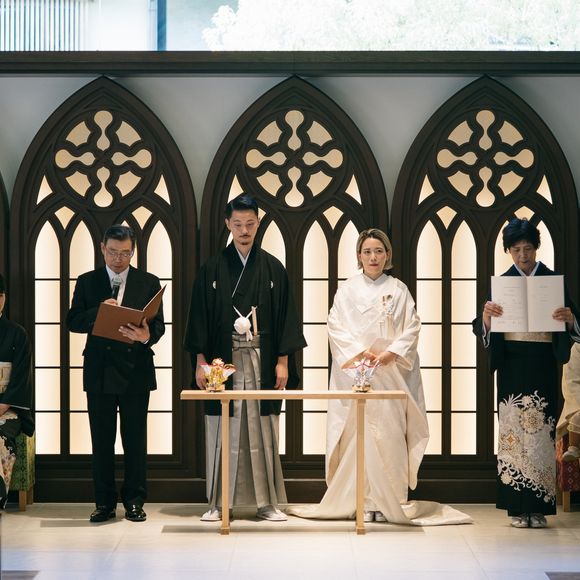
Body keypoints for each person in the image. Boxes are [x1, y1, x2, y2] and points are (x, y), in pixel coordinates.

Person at [289, 228, 471, 525]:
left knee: (389, 436)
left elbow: (412, 326)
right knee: (355, 434)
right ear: (359, 256)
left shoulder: (398, 289)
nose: (373, 257)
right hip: (356, 374)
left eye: (378, 251)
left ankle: (390, 501)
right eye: (367, 252)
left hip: (389, 373)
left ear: (387, 255)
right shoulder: (347, 290)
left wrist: (390, 353)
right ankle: (357, 500)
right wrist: (359, 354)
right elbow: (335, 325)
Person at [184, 194, 306, 522]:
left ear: (258, 223)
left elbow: (285, 317)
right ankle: (218, 502)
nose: (244, 230)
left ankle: (267, 503)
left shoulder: (272, 268)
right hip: (221, 363)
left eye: (250, 223)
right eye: (237, 224)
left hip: (262, 360)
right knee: (222, 429)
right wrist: (200, 361)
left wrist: (283, 361)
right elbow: (199, 317)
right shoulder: (212, 268)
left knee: (263, 429)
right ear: (227, 224)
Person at [473, 218, 580, 529]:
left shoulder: (552, 281)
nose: (523, 255)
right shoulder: (502, 283)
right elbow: (478, 326)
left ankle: (538, 508)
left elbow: (575, 323)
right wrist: (487, 318)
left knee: (540, 435)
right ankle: (517, 508)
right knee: (513, 435)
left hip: (542, 362)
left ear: (536, 248)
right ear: (509, 251)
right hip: (511, 364)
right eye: (516, 249)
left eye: (528, 248)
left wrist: (569, 318)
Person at [67, 225, 165, 523]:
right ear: (102, 248)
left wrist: (146, 335)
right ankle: (104, 503)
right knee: (102, 441)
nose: (118, 259)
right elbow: (72, 321)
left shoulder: (148, 281)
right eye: (112, 252)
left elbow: (158, 326)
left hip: (135, 371)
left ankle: (135, 502)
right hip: (100, 371)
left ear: (133, 251)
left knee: (135, 440)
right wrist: (98, 311)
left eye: (125, 253)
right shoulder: (88, 281)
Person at [0, 274, 34, 508]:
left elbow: (21, 379)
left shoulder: (17, 334)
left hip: (7, 409)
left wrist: (3, 405)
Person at [557, 342, 580, 461]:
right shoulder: (577, 348)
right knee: (577, 417)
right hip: (578, 402)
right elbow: (571, 383)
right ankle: (573, 447)